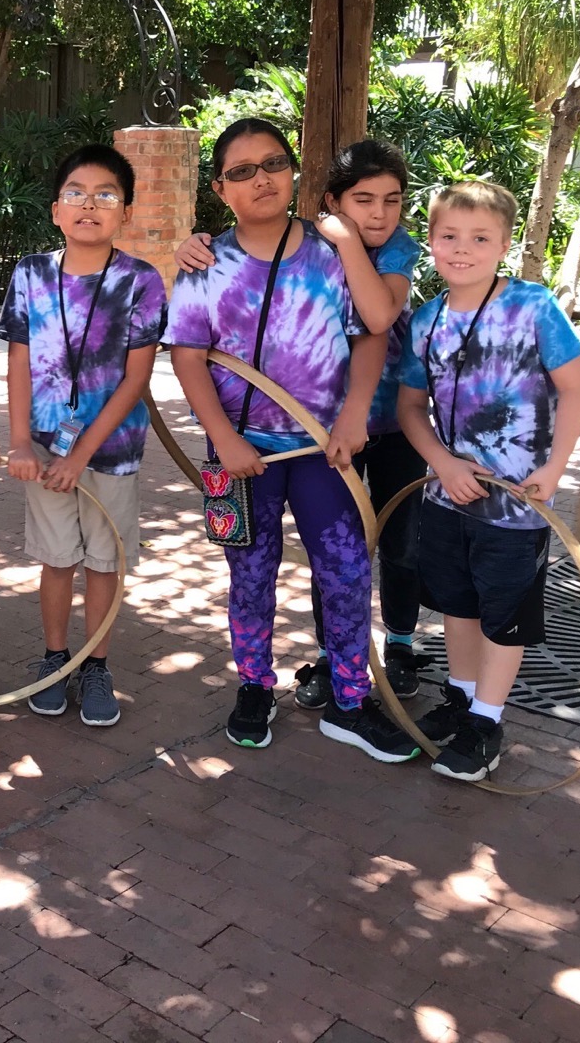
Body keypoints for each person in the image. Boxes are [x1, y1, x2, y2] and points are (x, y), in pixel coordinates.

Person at [164, 117, 417, 762]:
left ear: (294, 171)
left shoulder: (334, 252)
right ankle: (254, 685)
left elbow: (372, 332)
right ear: (221, 189)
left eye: (273, 164)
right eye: (242, 171)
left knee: (347, 571)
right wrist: (224, 440)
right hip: (241, 455)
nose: (261, 180)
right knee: (249, 574)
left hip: (323, 450)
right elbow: (189, 357)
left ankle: (350, 699)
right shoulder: (204, 265)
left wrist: (355, 414)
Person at [397, 180, 580, 781]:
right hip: (448, 494)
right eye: (449, 236)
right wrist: (444, 463)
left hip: (517, 503)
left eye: (480, 238)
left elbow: (576, 389)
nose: (462, 249)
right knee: (455, 604)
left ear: (504, 244)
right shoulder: (425, 321)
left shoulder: (533, 307)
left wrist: (553, 468)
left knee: (503, 612)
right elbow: (410, 408)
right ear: (430, 241)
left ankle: (487, 719)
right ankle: (460, 697)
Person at [0, 144, 167, 727]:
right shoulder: (29, 273)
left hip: (112, 451)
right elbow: (18, 360)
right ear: (55, 210)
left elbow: (136, 378)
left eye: (105, 195)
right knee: (55, 557)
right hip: (45, 446)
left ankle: (96, 663)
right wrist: (20, 440)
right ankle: (54, 658)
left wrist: (84, 454)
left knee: (104, 559)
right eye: (75, 193)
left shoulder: (141, 281)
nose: (88, 205)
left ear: (125, 211)